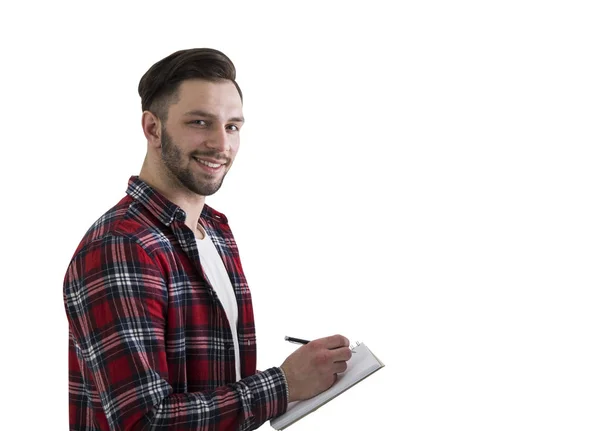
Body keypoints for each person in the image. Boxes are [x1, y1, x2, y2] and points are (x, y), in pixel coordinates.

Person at [63, 48, 352, 431]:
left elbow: (221, 393)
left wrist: (300, 381)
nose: (221, 144)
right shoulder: (122, 246)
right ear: (153, 128)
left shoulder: (214, 231)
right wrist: (283, 383)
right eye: (200, 122)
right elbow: (146, 422)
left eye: (232, 126)